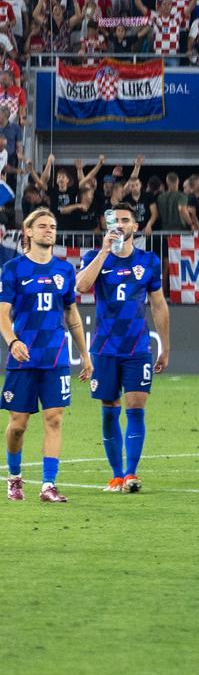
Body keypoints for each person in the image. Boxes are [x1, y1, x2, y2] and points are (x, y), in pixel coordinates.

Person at [76, 203, 170, 493]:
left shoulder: (149, 261)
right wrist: (104, 251)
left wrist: (165, 347)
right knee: (109, 407)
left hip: (137, 347)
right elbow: (80, 286)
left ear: (135, 227)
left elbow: (158, 304)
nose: (120, 224)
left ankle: (131, 474)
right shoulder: (94, 256)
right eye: (114, 220)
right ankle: (116, 475)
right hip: (104, 348)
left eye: (125, 220)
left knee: (136, 406)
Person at [0, 210, 92, 504]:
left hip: (55, 357)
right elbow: (2, 313)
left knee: (54, 419)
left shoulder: (64, 270)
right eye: (42, 226)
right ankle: (14, 478)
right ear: (28, 232)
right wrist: (12, 340)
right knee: (18, 425)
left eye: (52, 226)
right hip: (23, 358)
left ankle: (48, 485)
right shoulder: (13, 269)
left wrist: (85, 354)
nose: (49, 230)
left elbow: (71, 314)